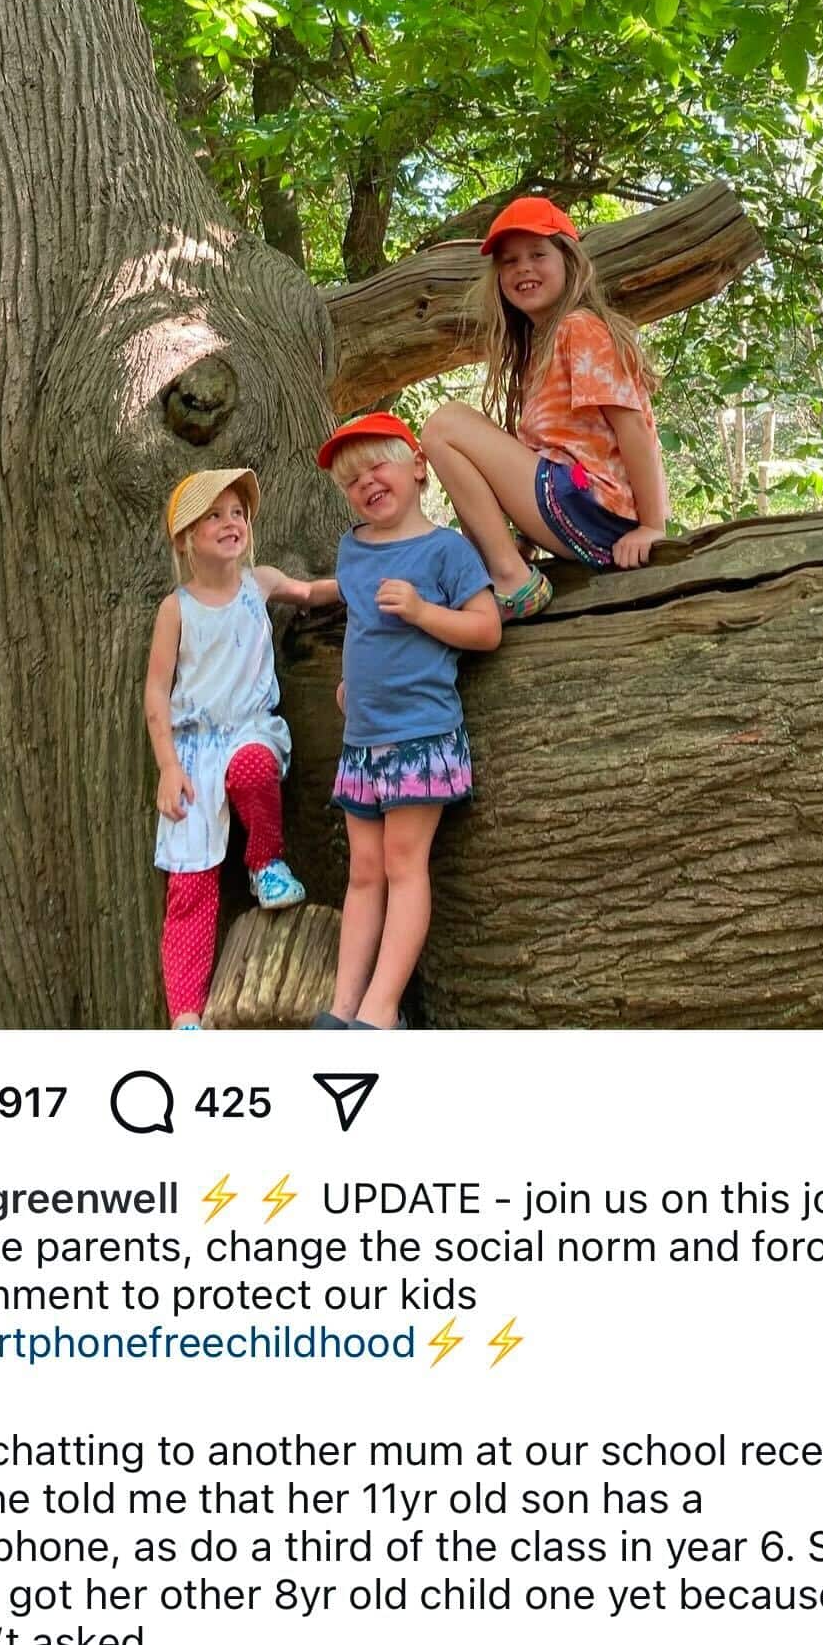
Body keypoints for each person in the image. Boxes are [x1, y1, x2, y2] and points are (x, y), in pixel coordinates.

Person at [313, 413, 501, 1030]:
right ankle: (343, 1007)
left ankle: (381, 1007)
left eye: (377, 467)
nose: (366, 483)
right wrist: (351, 682)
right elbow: (360, 627)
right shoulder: (351, 548)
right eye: (350, 480)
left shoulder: (444, 548)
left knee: (402, 864)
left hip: (421, 733)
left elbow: (485, 629)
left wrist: (422, 611)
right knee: (362, 870)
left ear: (417, 466)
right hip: (363, 739)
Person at [145, 467, 338, 1029]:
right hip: (192, 751)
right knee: (189, 887)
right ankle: (185, 1015)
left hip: (251, 728)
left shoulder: (261, 583)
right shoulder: (175, 609)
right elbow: (157, 691)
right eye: (215, 516)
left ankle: (265, 863)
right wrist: (168, 766)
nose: (232, 524)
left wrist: (367, 576)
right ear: (185, 538)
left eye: (238, 513)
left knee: (253, 768)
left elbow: (310, 592)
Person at [421, 195, 667, 622]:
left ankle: (510, 578)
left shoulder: (580, 327)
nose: (523, 268)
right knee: (455, 432)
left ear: (569, 262)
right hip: (573, 508)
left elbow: (632, 429)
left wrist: (652, 526)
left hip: (597, 509)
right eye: (509, 261)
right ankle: (502, 562)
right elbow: (550, 452)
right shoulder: (539, 348)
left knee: (444, 425)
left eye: (538, 254)